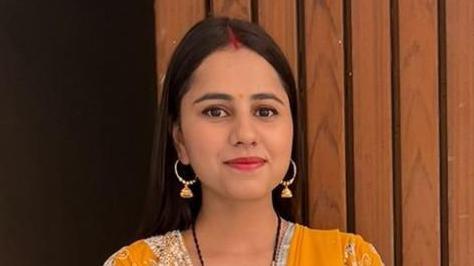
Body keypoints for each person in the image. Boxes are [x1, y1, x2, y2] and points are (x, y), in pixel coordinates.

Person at [104, 17, 384, 266]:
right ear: (180, 141)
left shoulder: (349, 259)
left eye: (265, 111)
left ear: (292, 129)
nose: (245, 135)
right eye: (216, 111)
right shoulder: (134, 264)